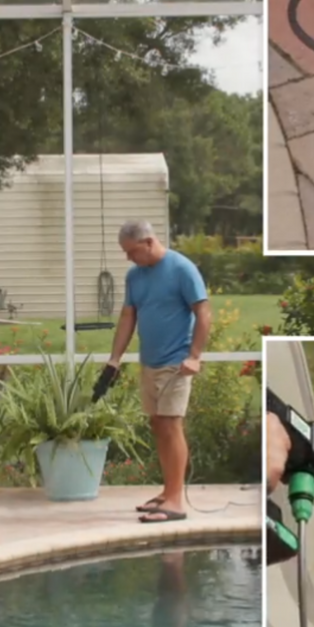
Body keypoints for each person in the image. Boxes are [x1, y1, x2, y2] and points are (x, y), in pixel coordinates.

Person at [105, 221, 212, 524]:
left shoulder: (182, 269)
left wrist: (194, 356)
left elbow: (203, 312)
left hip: (176, 364)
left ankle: (176, 502)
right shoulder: (134, 276)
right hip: (149, 363)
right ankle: (168, 492)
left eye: (131, 251)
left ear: (149, 242)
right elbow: (128, 316)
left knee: (171, 424)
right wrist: (114, 358)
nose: (128, 258)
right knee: (157, 424)